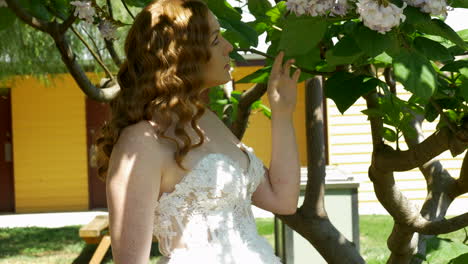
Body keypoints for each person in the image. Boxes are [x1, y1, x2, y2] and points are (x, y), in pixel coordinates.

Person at [97, 0, 301, 263]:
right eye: (216, 40)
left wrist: (283, 114)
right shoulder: (140, 143)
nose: (229, 47)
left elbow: (283, 200)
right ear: (182, 56)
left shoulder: (208, 120)